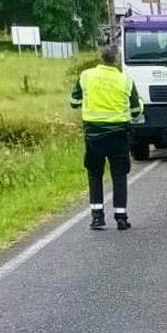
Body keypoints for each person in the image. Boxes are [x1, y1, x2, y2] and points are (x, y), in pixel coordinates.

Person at [70, 46, 143, 230]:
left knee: (95, 174)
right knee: (119, 174)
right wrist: (140, 105)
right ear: (117, 60)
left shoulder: (86, 76)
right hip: (119, 134)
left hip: (94, 133)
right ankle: (121, 217)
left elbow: (74, 102)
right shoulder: (125, 80)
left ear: (101, 58)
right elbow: (135, 111)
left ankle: (97, 217)